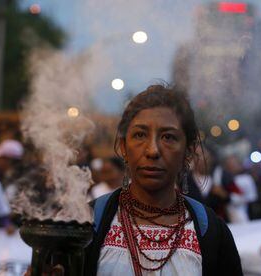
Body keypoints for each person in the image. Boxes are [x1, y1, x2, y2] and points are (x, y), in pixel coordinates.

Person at [85, 84, 242, 275]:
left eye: (168, 137)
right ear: (123, 147)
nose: (152, 150)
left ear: (188, 151)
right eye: (140, 135)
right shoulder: (89, 223)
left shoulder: (211, 232)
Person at [212, 154, 257, 223]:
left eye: (233, 163)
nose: (231, 166)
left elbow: (251, 198)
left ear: (239, 164)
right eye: (229, 164)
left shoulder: (246, 178)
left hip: (244, 214)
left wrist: (229, 196)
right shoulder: (223, 179)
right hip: (225, 214)